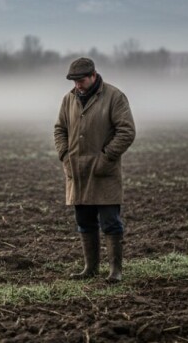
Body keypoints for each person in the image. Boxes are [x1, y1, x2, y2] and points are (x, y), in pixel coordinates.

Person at [53, 57, 136, 282]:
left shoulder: (114, 96)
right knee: (84, 221)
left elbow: (127, 131)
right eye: (74, 81)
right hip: (77, 172)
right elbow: (60, 129)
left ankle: (115, 271)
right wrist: (64, 156)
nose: (77, 85)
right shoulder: (68, 99)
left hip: (104, 171)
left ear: (93, 76)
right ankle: (90, 268)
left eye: (81, 80)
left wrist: (106, 157)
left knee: (111, 222)